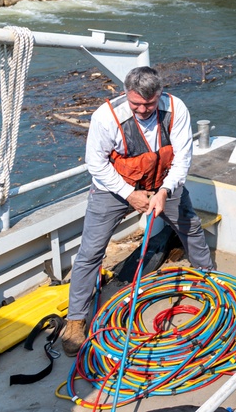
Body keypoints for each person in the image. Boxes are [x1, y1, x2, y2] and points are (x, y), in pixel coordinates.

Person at [62, 66, 214, 356]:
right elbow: (96, 164)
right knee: (91, 251)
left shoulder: (175, 108)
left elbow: (182, 157)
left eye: (149, 103)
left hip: (163, 182)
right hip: (115, 187)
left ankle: (209, 278)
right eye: (136, 104)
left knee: (190, 227)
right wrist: (129, 194)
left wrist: (164, 192)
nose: (143, 110)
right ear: (125, 94)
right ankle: (76, 320)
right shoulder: (105, 118)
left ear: (160, 94)